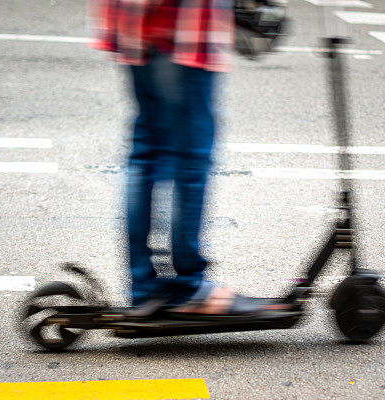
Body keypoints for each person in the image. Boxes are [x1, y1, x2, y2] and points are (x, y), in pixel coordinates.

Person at [90, 0, 276, 316]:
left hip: (135, 20)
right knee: (189, 157)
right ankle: (188, 287)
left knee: (147, 152)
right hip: (180, 24)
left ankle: (145, 286)